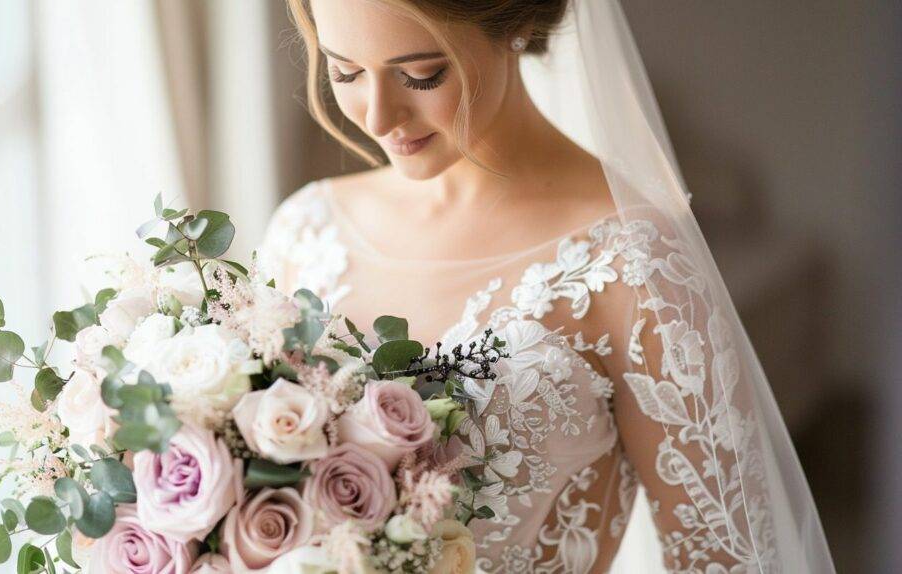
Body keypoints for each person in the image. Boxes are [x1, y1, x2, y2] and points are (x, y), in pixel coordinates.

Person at [260, 0, 836, 572]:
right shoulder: (307, 228)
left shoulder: (630, 260)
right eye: (346, 72)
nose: (380, 116)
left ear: (518, 22)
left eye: (421, 74)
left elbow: (728, 559)